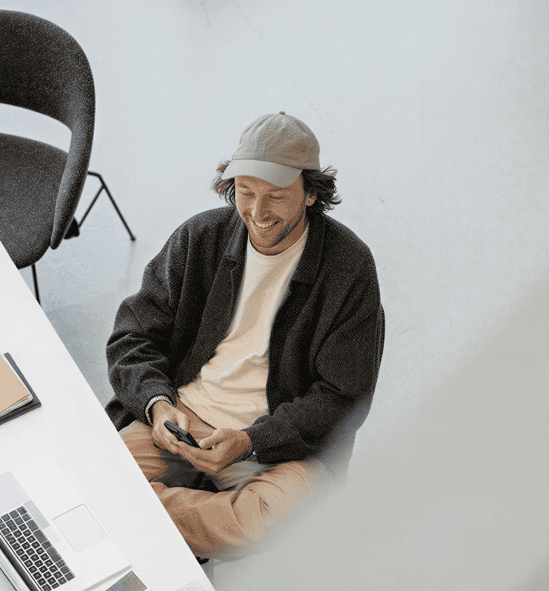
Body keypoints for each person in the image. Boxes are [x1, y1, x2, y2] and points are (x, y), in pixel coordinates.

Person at [104, 112, 384, 560]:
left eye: (276, 196)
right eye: (246, 192)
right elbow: (133, 335)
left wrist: (252, 440)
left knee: (261, 522)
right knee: (98, 475)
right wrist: (157, 404)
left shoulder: (348, 268)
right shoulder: (200, 238)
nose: (256, 212)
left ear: (311, 194)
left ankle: (134, 518)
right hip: (181, 418)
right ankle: (189, 526)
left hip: (280, 444)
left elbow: (344, 396)